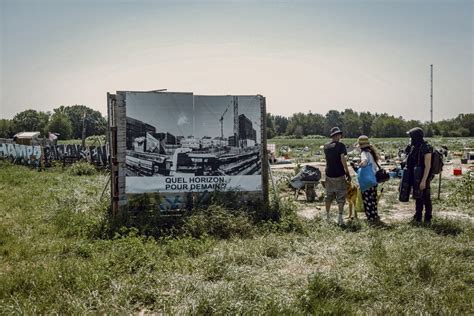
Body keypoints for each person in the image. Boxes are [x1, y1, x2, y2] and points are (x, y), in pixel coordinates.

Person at [405, 127, 433, 224]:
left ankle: (428, 218)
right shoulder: (414, 147)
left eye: (411, 137)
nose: (410, 139)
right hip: (415, 176)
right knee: (418, 196)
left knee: (426, 196)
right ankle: (418, 216)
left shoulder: (426, 148)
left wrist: (424, 181)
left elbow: (428, 166)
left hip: (423, 176)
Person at [324, 127, 351, 225]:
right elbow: (342, 159)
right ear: (338, 135)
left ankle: (327, 217)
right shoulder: (341, 146)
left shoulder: (326, 146)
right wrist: (347, 172)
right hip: (339, 174)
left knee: (328, 195)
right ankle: (340, 218)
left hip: (329, 173)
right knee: (341, 196)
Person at [356, 135, 381, 221]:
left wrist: (360, 164)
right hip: (374, 179)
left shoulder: (364, 153)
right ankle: (375, 215)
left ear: (361, 145)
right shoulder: (371, 152)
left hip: (367, 180)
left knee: (367, 200)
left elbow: (364, 162)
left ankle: (370, 217)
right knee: (373, 199)